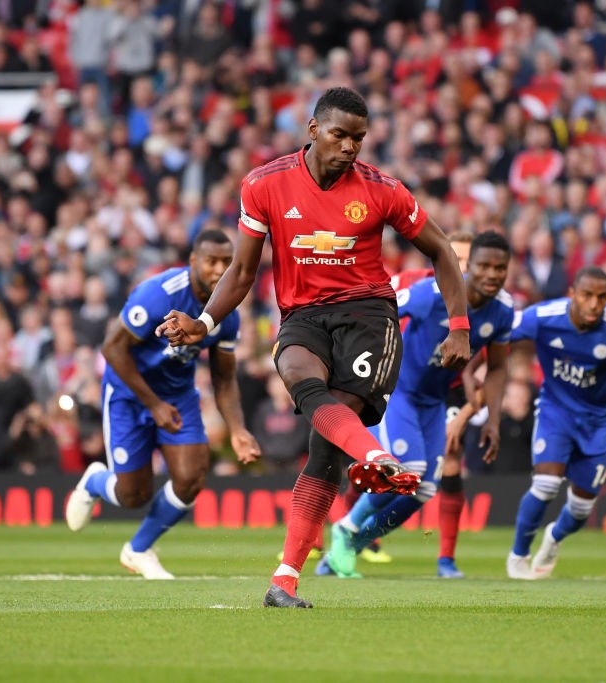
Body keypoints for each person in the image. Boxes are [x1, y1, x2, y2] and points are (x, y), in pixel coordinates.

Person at [156, 87, 471, 607]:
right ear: (313, 129)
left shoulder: (382, 189)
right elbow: (241, 270)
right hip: (301, 315)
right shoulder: (264, 184)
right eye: (340, 134)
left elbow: (441, 250)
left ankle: (284, 578)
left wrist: (459, 325)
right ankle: (374, 457)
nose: (350, 147)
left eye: (359, 138)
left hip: (369, 316)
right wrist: (205, 321)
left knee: (324, 450)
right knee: (299, 375)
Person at [64, 229, 261, 579]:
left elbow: (224, 377)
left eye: (226, 263)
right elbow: (112, 349)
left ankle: (138, 549)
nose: (219, 270)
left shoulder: (226, 314)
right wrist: (153, 404)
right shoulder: (157, 294)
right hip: (129, 394)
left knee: (191, 477)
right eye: (212, 262)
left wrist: (237, 429)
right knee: (132, 495)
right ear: (193, 262)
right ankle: (95, 481)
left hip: (178, 395)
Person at [319, 230, 514, 579]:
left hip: (433, 401)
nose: (490, 274)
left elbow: (498, 366)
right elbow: (374, 309)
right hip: (399, 392)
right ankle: (346, 530)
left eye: (499, 268)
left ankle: (348, 546)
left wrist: (493, 420)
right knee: (409, 467)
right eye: (482, 266)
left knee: (423, 490)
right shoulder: (431, 294)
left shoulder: (503, 310)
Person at [506, 266, 606, 580]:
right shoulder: (542, 316)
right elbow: (498, 333)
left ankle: (554, 537)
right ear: (572, 294)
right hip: (556, 410)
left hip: (600, 421)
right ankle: (518, 555)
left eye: (602, 297)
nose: (595, 304)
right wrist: (479, 370)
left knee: (582, 508)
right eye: (587, 295)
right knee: (545, 485)